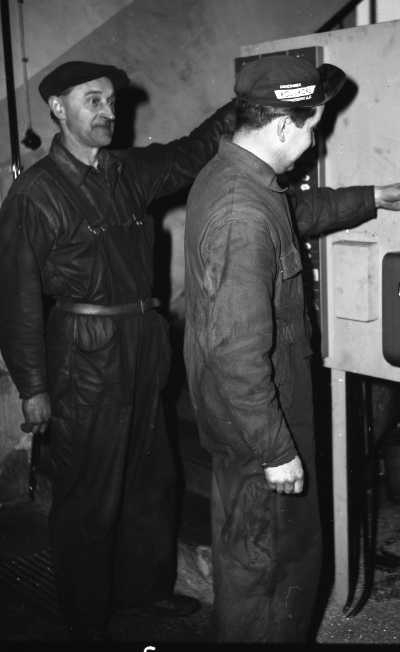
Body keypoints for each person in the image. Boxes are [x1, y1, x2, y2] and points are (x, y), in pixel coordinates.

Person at [183, 53, 400, 643]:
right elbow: (236, 350)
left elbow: (301, 212)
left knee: (256, 560)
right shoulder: (242, 210)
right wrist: (276, 450)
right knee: (273, 569)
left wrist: (374, 196)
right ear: (283, 126)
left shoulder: (237, 177)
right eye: (313, 125)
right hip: (261, 424)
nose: (316, 139)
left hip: (246, 419)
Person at [0, 60, 235, 641]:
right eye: (93, 100)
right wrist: (33, 387)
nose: (108, 111)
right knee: (90, 492)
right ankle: (85, 618)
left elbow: (192, 151)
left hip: (142, 344)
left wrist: (245, 104)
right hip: (84, 355)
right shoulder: (35, 194)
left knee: (152, 478)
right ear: (58, 108)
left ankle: (146, 592)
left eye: (111, 101)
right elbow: (16, 298)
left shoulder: (128, 171)